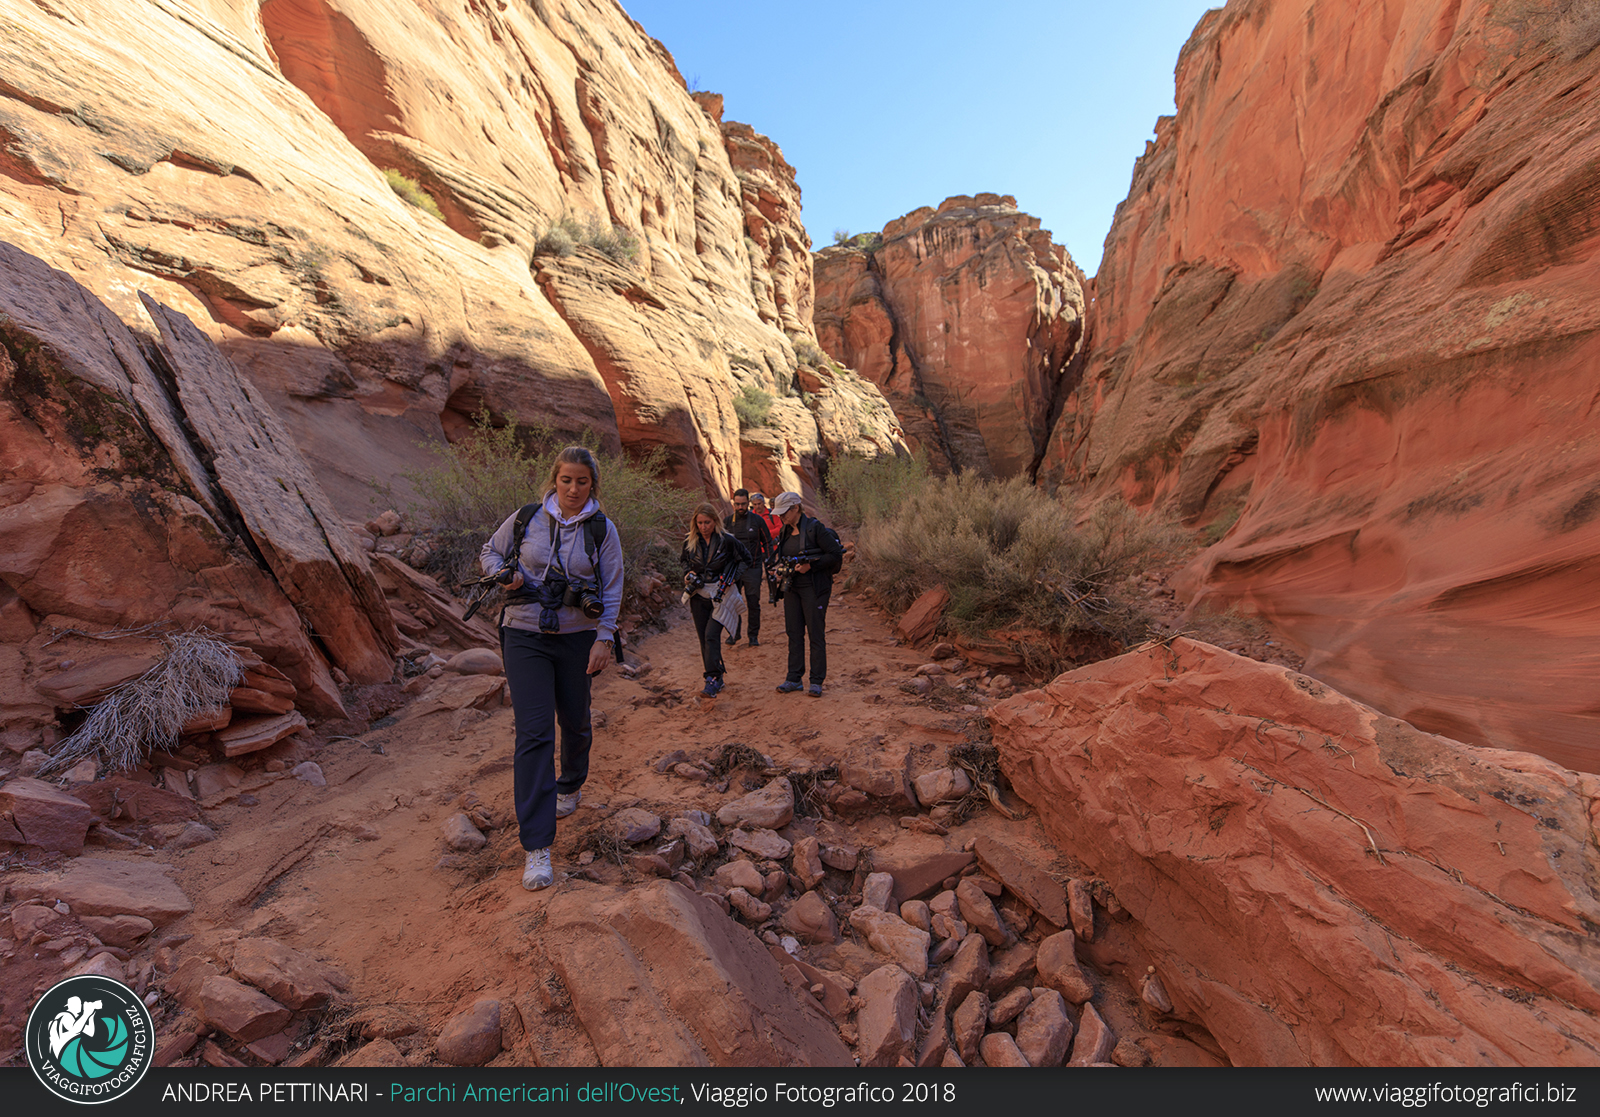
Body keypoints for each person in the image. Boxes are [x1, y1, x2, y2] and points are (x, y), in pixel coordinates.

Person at [480, 446, 623, 891]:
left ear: (592, 484)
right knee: (535, 733)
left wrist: (604, 637)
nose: (573, 489)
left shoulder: (602, 529)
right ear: (553, 480)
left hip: (577, 639)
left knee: (576, 723)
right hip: (523, 634)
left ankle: (571, 783)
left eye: (582, 481)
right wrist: (503, 574)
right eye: (566, 480)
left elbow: (615, 585)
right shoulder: (527, 518)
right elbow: (489, 552)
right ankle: (537, 847)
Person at [769, 491, 845, 697]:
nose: (781, 517)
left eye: (784, 513)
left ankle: (816, 680)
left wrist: (811, 566)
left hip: (814, 588)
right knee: (793, 633)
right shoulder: (785, 531)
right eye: (779, 514)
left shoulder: (815, 528)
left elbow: (835, 554)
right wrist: (779, 571)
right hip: (792, 587)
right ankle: (794, 678)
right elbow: (785, 557)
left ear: (796, 509)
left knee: (815, 633)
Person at [681, 503, 751, 697]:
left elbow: (746, 559)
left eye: (708, 522)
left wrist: (733, 578)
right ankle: (716, 676)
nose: (704, 527)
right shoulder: (690, 541)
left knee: (712, 635)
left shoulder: (727, 541)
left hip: (721, 594)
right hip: (698, 594)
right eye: (700, 523)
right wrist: (688, 573)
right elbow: (684, 561)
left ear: (715, 521)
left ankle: (711, 678)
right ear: (695, 522)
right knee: (704, 637)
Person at [723, 488, 772, 646]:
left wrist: (770, 563)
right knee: (732, 603)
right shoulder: (727, 522)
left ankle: (753, 636)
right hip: (733, 570)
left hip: (753, 568)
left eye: (743, 504)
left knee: (753, 603)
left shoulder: (757, 521)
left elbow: (768, 542)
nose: (740, 507)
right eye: (737, 504)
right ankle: (734, 634)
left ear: (748, 503)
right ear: (733, 504)